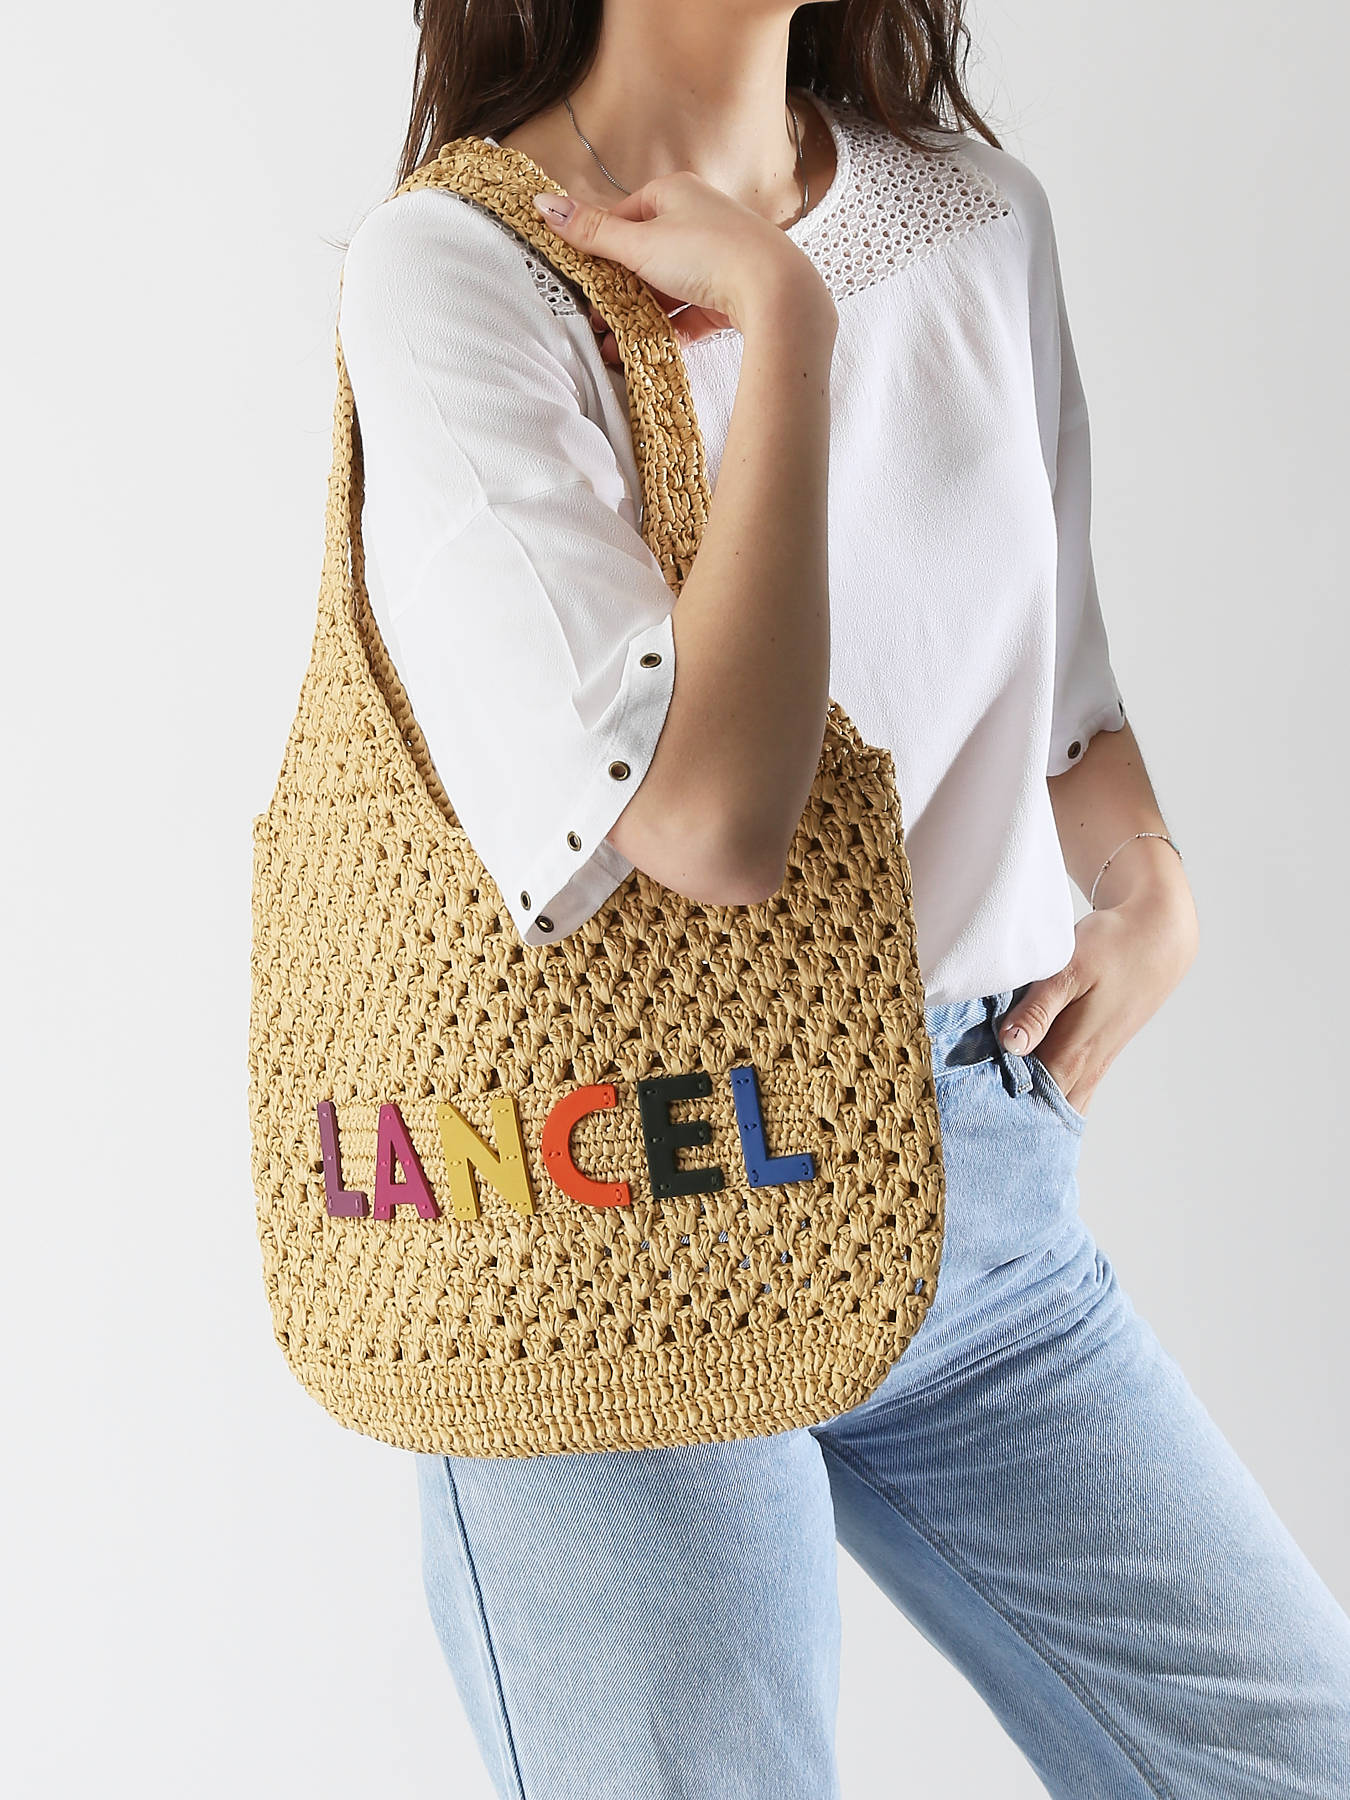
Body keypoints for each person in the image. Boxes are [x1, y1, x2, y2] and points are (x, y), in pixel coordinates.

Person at [334, 3, 1350, 1793]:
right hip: (620, 1206)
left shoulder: (974, 217)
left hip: (977, 1183)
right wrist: (784, 332)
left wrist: (1147, 879)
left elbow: (1060, 696)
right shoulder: (462, 268)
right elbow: (709, 821)